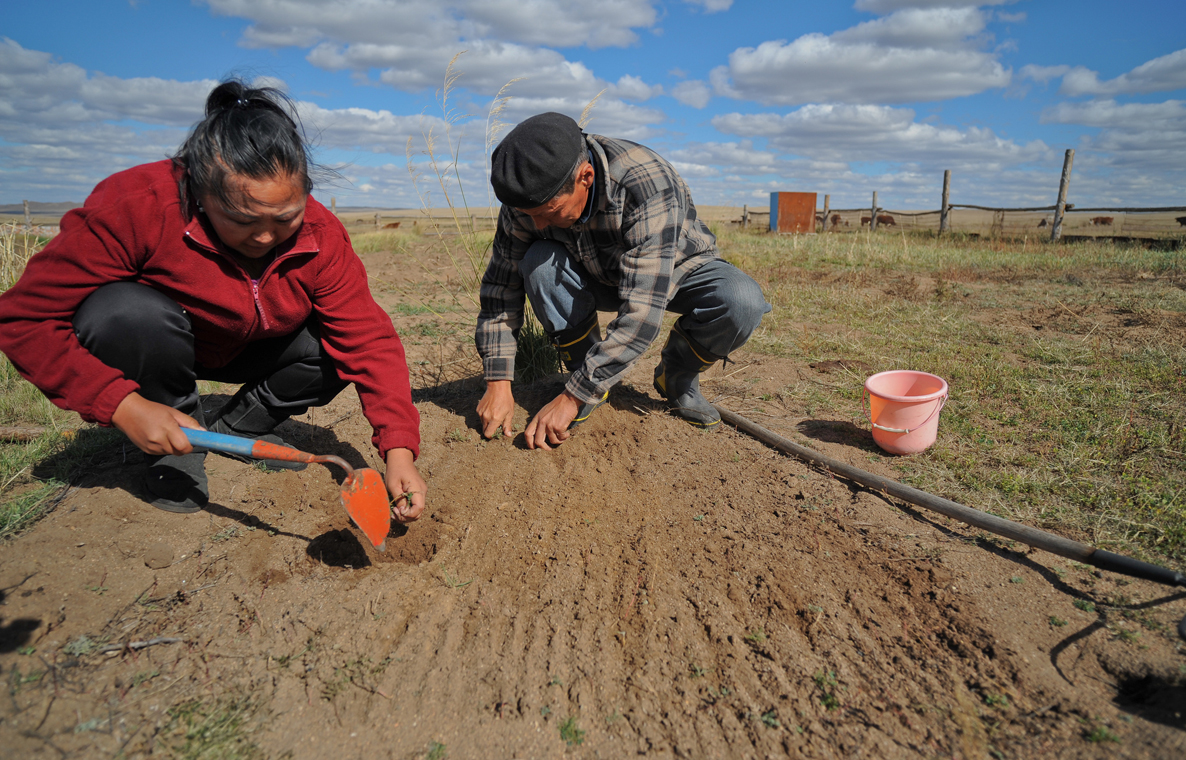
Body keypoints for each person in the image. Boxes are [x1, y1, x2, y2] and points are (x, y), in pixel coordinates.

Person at [0, 80, 426, 519]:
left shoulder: (321, 234)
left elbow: (368, 340)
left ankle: (236, 427)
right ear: (200, 193)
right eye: (241, 220)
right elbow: (24, 319)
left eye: (285, 218)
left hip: (257, 347)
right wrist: (122, 406)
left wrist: (398, 450)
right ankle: (174, 445)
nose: (264, 236)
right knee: (122, 314)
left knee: (335, 348)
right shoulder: (139, 206)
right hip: (164, 344)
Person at [475, 112, 770, 449]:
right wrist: (497, 381)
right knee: (539, 262)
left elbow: (641, 312)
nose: (539, 225)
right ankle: (582, 371)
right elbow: (501, 290)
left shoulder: (645, 184)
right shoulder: (529, 198)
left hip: (672, 271)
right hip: (594, 271)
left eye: (550, 213)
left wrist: (570, 399)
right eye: (531, 216)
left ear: (585, 177)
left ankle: (677, 376)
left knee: (741, 301)